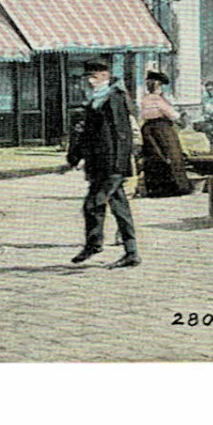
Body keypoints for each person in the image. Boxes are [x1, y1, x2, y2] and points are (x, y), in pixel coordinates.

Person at [65, 57, 140, 268]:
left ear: (106, 76)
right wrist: (76, 157)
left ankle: (94, 243)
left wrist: (118, 165)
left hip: (111, 164)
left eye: (94, 76)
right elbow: (88, 134)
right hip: (99, 163)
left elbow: (122, 134)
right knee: (119, 207)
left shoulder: (113, 98)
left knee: (93, 204)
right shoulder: (96, 99)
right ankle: (131, 252)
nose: (90, 81)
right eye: (88, 77)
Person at [137, 71, 193, 198]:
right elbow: (171, 114)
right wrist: (180, 116)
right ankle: (176, 187)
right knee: (171, 155)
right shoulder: (158, 99)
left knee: (154, 156)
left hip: (148, 129)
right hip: (161, 128)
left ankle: (155, 188)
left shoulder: (144, 99)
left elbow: (143, 114)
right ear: (158, 86)